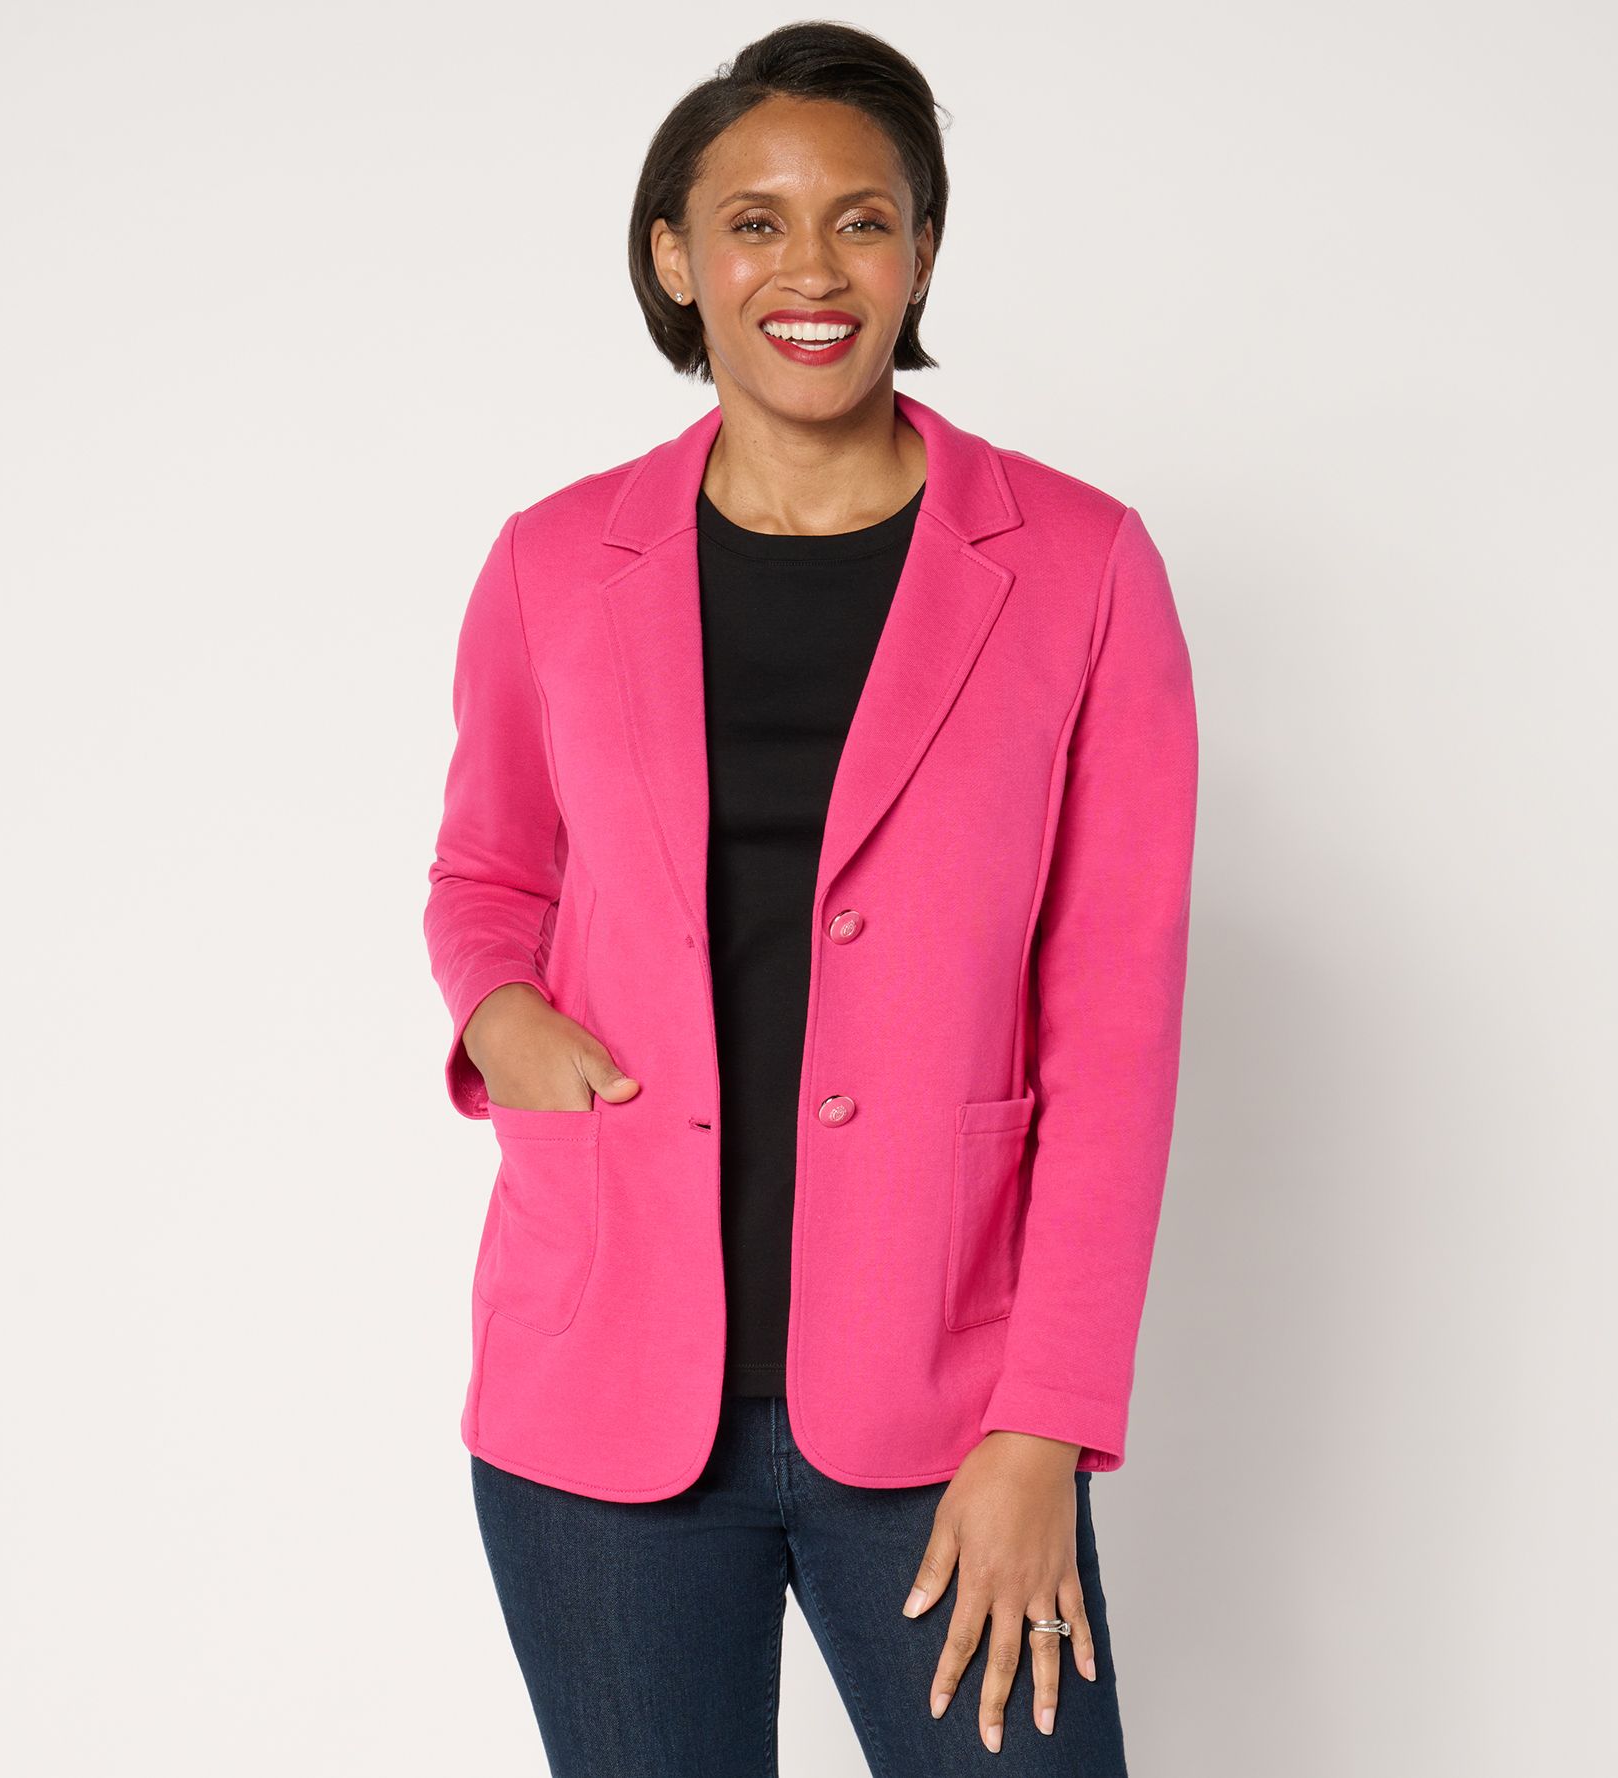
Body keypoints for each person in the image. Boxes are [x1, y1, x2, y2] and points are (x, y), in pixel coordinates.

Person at [422, 22, 1198, 1775]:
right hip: (601, 1392)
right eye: (755, 222)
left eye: (862, 219)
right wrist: (502, 1010)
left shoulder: (1079, 567)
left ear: (922, 251)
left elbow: (1117, 1031)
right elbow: (486, 869)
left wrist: (1046, 1427)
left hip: (950, 1405)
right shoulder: (554, 562)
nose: (813, 269)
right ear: (674, 258)